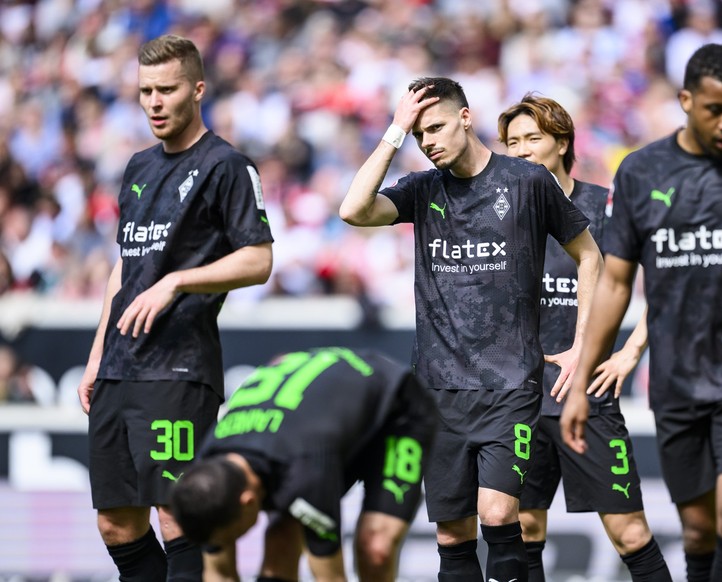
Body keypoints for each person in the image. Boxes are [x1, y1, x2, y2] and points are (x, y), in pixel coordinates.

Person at [561, 44, 722, 582]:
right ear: (685, 100)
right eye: (714, 109)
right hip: (677, 379)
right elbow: (615, 282)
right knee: (701, 531)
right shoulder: (640, 171)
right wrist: (584, 375)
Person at [339, 77, 602, 582]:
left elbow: (589, 255)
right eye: (420, 134)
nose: (428, 140)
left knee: (501, 515)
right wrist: (395, 132)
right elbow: (353, 210)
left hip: (510, 385)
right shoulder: (421, 189)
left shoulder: (527, 181)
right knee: (452, 536)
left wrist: (579, 344)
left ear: (465, 117)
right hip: (438, 391)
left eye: (435, 127)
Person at [76, 34, 274, 581]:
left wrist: (178, 283)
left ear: (198, 89)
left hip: (180, 368)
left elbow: (259, 259)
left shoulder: (227, 165)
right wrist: (97, 356)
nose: (155, 102)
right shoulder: (138, 167)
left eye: (167, 89)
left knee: (177, 512)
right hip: (120, 365)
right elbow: (126, 265)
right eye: (146, 92)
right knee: (116, 523)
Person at [498, 93, 672, 582]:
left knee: (631, 535)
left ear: (562, 142)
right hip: (520, 401)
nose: (522, 150)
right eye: (513, 142)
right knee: (524, 529)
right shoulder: (498, 212)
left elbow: (668, 279)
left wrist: (629, 352)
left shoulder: (602, 205)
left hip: (588, 399)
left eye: (533, 139)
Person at [169, 346, 437, 582]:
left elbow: (331, 578)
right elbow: (219, 573)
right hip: (309, 430)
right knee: (281, 536)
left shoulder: (305, 475)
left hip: (395, 409)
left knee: (374, 549)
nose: (229, 544)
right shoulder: (208, 479)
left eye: (231, 537)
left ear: (248, 500)